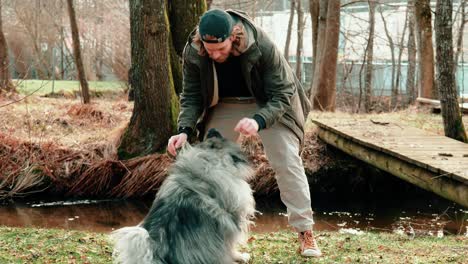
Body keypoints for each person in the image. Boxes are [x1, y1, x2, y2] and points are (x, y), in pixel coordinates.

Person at [167, 8, 322, 258]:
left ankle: (305, 232)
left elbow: (284, 93)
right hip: (226, 103)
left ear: (233, 36)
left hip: (269, 104)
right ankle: (224, 242)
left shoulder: (261, 45)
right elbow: (192, 96)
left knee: (286, 160)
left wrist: (259, 121)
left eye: (220, 48)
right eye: (210, 50)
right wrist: (183, 130)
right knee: (211, 166)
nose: (215, 55)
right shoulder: (194, 51)